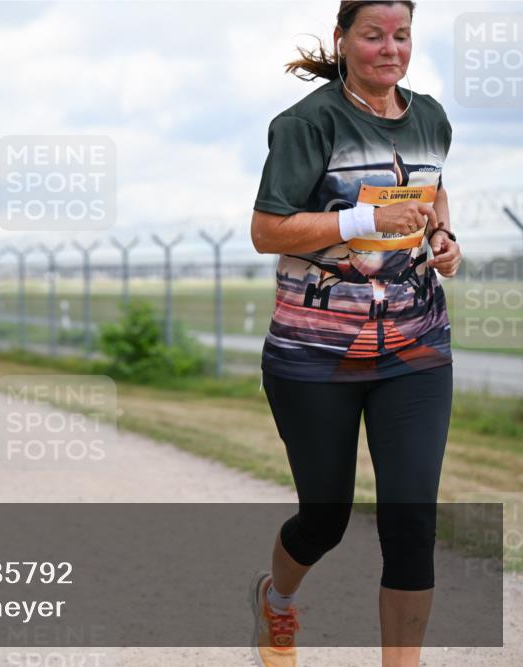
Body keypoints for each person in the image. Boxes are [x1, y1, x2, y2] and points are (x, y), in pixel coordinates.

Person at [248, 2, 461, 666]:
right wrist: (352, 221)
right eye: (373, 36)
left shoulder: (430, 116)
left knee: (410, 522)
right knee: (325, 518)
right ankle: (277, 602)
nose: (389, 48)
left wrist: (443, 235)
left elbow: (432, 191)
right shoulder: (307, 125)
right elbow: (267, 230)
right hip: (316, 352)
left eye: (401, 36)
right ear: (343, 41)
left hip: (416, 344)